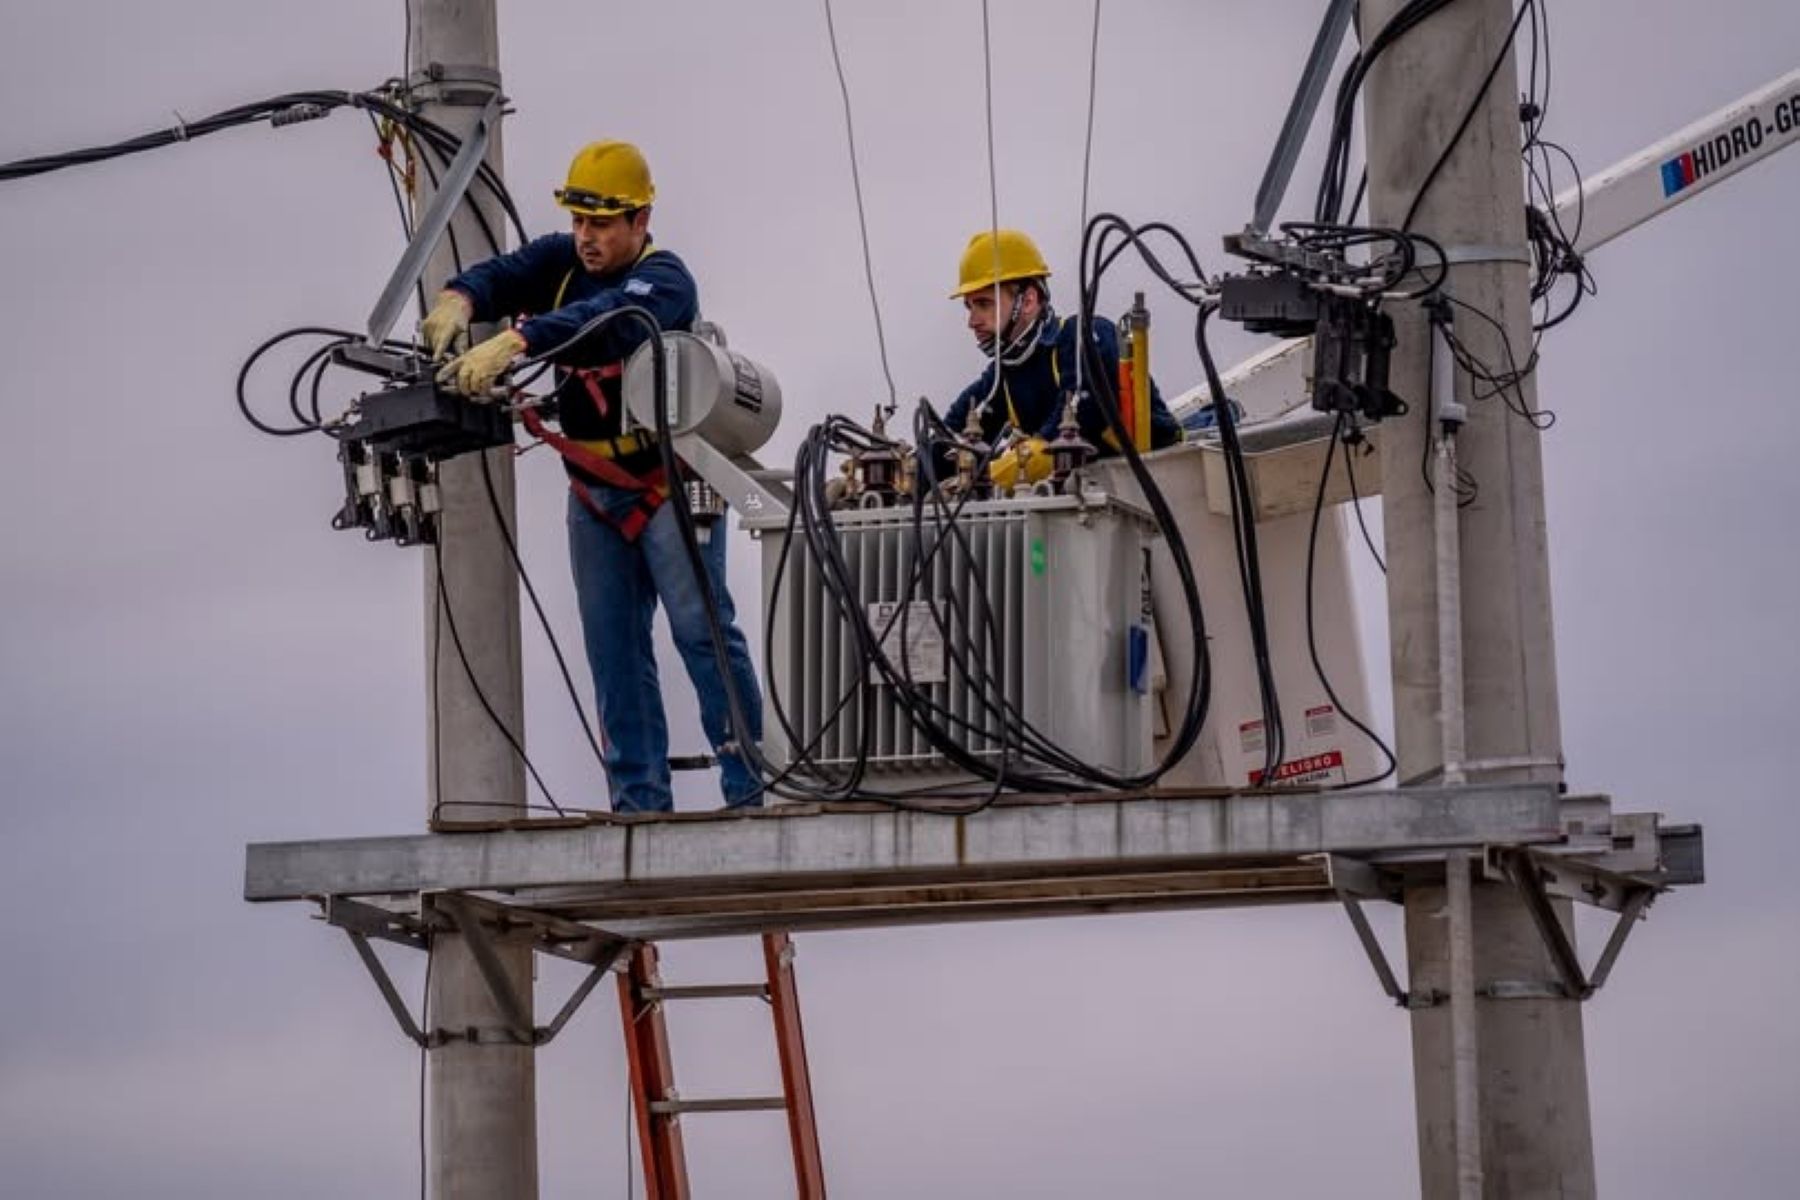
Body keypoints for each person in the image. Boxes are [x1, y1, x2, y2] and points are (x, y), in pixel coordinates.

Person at [422, 139, 764, 814]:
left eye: (602, 224)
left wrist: (518, 341)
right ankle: (640, 802)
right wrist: (461, 299)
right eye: (580, 221)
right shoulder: (560, 262)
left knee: (701, 630)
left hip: (666, 479)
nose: (587, 237)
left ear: (639, 221)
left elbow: (608, 324)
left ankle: (750, 788)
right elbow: (503, 273)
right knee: (614, 649)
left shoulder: (665, 281)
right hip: (594, 485)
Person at [939, 228, 1182, 488]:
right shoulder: (1003, 376)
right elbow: (947, 442)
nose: (972, 321)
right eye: (969, 307)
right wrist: (910, 475)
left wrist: (978, 480)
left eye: (984, 304)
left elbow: (1067, 431)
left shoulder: (1086, 340)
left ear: (1029, 300)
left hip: (1168, 490)